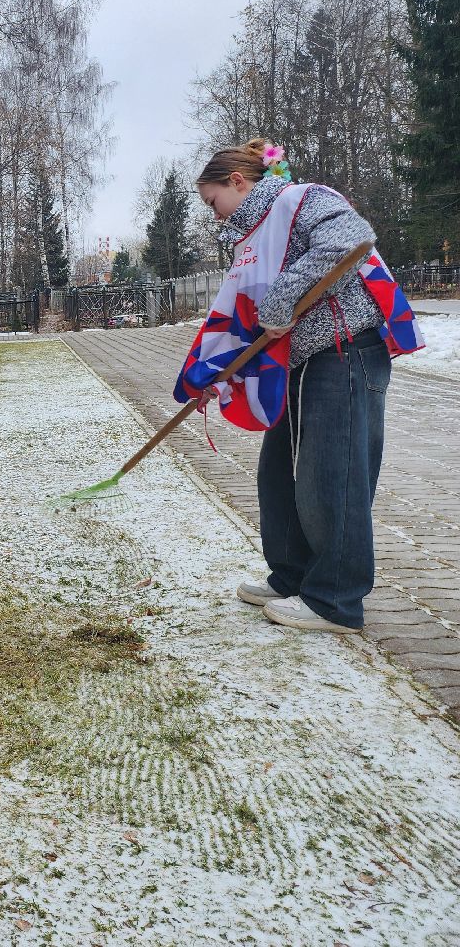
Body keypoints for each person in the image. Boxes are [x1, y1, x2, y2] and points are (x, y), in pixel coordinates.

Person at [179, 139, 423, 634]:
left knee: (333, 476)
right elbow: (242, 313)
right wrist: (213, 373)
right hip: (295, 363)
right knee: (277, 473)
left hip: (346, 351)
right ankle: (292, 575)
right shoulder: (252, 240)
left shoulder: (303, 199)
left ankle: (336, 599)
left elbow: (351, 241)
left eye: (213, 202)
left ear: (238, 182)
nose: (216, 215)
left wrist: (283, 299)